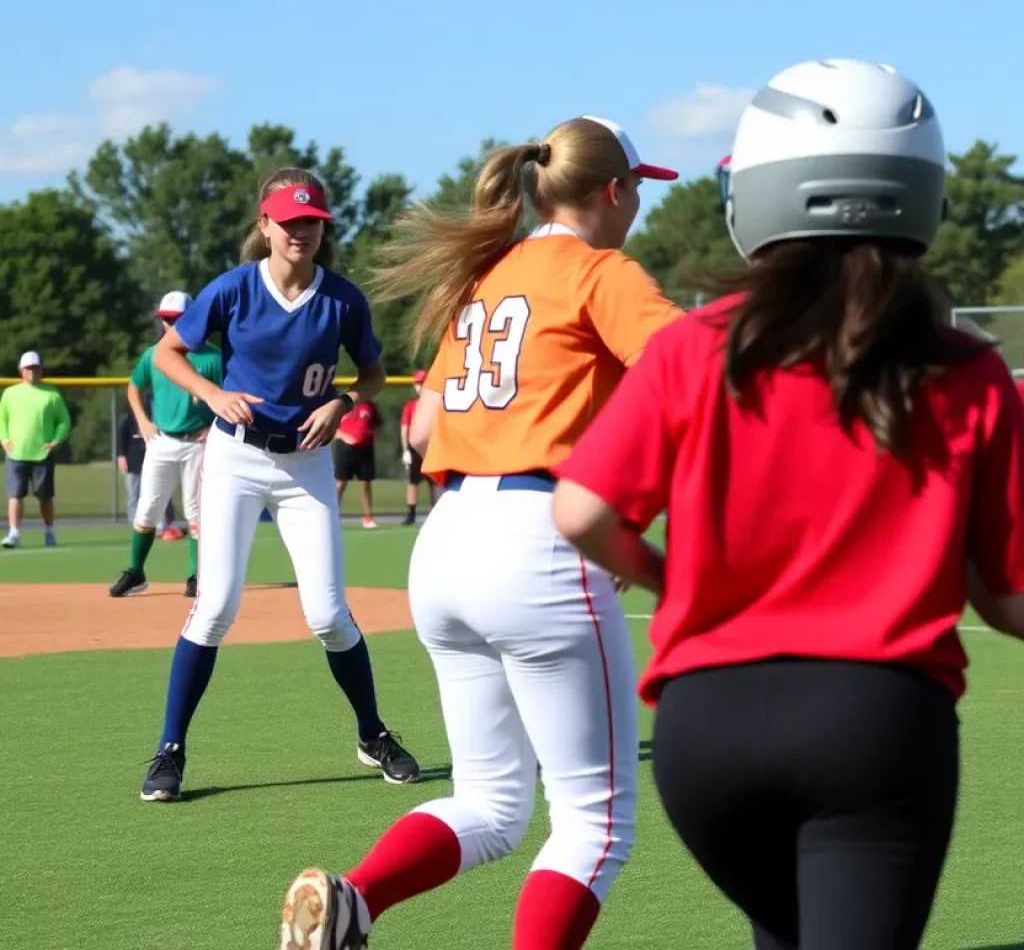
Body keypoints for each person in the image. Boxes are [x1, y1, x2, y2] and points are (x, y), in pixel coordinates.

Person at [551, 60, 1024, 950]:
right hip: (877, 725)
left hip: (706, 732)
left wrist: (675, 579)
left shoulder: (693, 347)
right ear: (922, 195)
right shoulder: (967, 371)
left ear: (756, 194)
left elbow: (580, 512)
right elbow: (1004, 598)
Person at [278, 116, 683, 950]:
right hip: (539, 540)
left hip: (450, 539)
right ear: (612, 189)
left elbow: (424, 427)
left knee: (493, 804)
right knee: (594, 826)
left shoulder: (486, 274)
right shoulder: (599, 271)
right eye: (639, 186)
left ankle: (355, 900)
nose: (640, 203)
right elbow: (691, 377)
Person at [137, 167, 420, 803]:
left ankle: (372, 733)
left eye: (311, 222)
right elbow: (165, 354)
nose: (301, 232)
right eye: (289, 222)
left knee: (326, 612)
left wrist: (344, 401)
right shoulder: (234, 289)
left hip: (307, 464)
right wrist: (214, 393)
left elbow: (373, 373)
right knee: (215, 607)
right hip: (236, 460)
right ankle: (170, 750)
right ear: (264, 225)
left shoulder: (342, 299)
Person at [110, 292, 222, 599]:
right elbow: (134, 388)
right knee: (147, 510)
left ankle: (196, 576)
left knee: (196, 512)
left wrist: (215, 427)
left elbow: (230, 397)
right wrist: (144, 422)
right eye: (165, 319)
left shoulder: (212, 358)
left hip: (198, 444)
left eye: (175, 319)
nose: (168, 324)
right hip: (162, 441)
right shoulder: (154, 355)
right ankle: (136, 572)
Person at [0, 351, 71, 549]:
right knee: (15, 495)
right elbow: (2, 420)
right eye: (28, 368)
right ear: (21, 370)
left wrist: (55, 441)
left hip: (42, 454)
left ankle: (49, 531)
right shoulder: (10, 394)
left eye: (35, 368)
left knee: (45, 497)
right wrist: (5, 440)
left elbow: (63, 422)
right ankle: (14, 533)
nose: (32, 371)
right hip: (16, 454)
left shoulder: (52, 394)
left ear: (41, 369)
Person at [116, 404, 180, 537]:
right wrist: (121, 457)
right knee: (134, 495)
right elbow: (121, 441)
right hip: (133, 465)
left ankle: (163, 526)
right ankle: (135, 525)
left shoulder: (156, 419)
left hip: (152, 463)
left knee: (159, 494)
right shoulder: (128, 422)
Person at [332, 398, 382, 528]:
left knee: (365, 482)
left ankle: (368, 517)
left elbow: (377, 426)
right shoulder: (343, 404)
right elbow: (333, 426)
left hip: (365, 449)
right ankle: (333, 515)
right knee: (341, 483)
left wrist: (372, 437)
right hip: (344, 448)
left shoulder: (371, 406)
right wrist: (344, 437)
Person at [399, 370, 437, 525]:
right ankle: (411, 512)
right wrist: (405, 450)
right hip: (414, 447)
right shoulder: (410, 405)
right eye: (417, 383)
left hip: (431, 446)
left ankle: (435, 512)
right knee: (412, 481)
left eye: (422, 383)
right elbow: (405, 428)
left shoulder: (434, 405)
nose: (419, 387)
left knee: (433, 482)